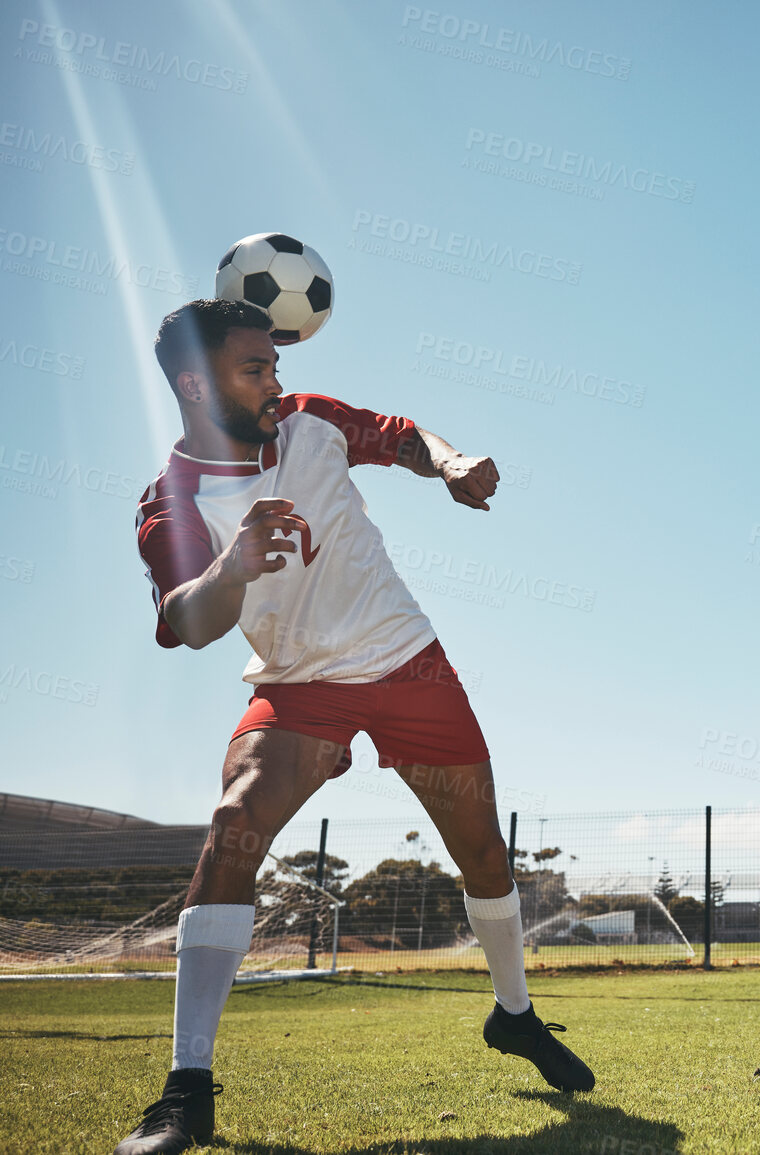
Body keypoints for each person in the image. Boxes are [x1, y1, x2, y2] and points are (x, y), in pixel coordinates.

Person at [115, 300, 593, 1155]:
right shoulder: (171, 498)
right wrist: (230, 567)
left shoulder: (311, 422)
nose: (276, 381)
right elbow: (188, 621)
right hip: (300, 687)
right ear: (195, 383)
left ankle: (514, 1015)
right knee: (232, 827)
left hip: (406, 660)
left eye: (275, 364)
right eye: (254, 368)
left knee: (483, 850)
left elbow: (401, 434)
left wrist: (450, 464)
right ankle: (187, 1086)